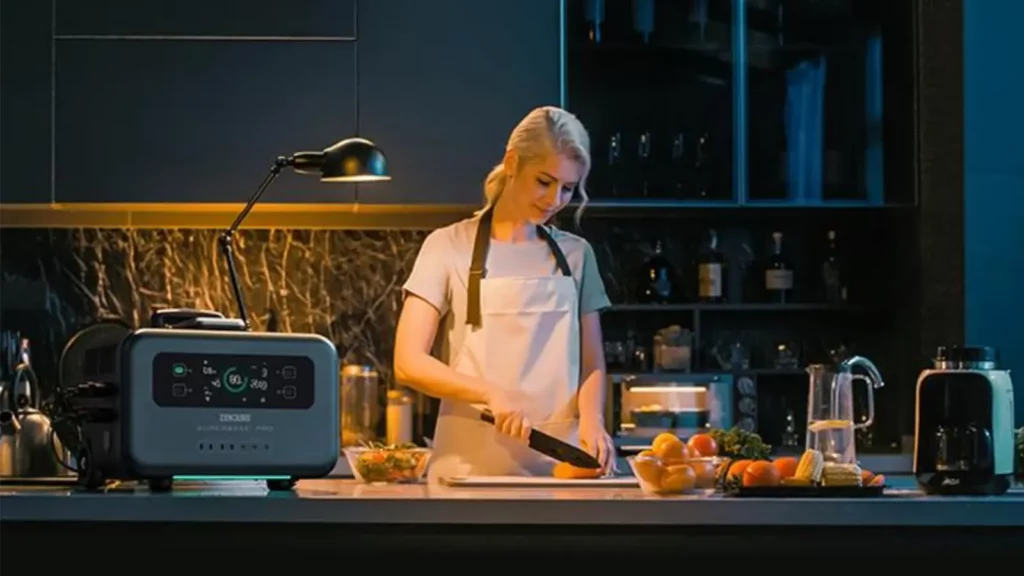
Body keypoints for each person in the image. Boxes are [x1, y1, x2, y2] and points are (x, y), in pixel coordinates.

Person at [393, 105, 614, 482]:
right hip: (467, 470)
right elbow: (408, 361)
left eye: (567, 188)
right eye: (544, 181)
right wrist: (490, 392)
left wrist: (593, 421)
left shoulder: (578, 256)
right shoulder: (447, 246)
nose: (555, 199)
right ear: (512, 162)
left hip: (560, 469)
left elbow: (592, 363)